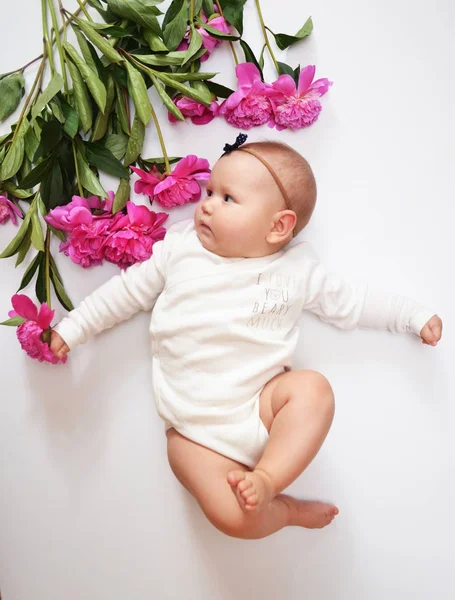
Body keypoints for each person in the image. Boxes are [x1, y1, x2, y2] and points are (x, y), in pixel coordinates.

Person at [50, 134, 443, 540]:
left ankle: (270, 479)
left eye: (227, 198)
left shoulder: (296, 270)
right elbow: (126, 293)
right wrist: (75, 327)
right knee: (234, 519)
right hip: (194, 432)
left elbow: (354, 303)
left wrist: (410, 315)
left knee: (314, 390)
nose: (205, 205)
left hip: (260, 406)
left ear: (278, 226)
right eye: (209, 191)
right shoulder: (180, 251)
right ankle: (285, 511)